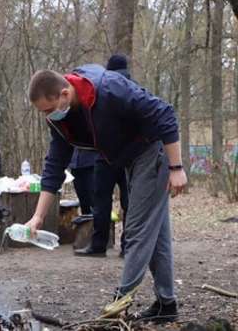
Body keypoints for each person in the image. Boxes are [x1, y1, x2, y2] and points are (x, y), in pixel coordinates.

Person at [25, 64, 187, 323]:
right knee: (157, 237)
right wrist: (38, 217)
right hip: (130, 161)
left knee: (135, 230)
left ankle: (118, 306)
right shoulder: (62, 120)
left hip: (153, 153)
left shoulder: (110, 90)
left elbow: (165, 113)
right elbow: (54, 166)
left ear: (64, 94)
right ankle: (166, 304)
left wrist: (176, 167)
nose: (46, 116)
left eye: (48, 109)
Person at [77, 54, 131, 258]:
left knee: (122, 202)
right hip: (107, 156)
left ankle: (119, 245)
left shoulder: (128, 90)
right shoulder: (101, 90)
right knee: (104, 201)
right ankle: (103, 244)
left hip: (123, 157)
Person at [69, 149, 97, 216]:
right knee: (83, 200)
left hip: (91, 164)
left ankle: (98, 224)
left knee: (94, 199)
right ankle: (86, 222)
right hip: (75, 165)